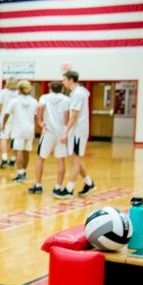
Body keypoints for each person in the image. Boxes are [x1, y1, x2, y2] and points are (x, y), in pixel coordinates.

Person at [57, 70, 96, 198]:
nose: (63, 82)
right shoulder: (79, 92)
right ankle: (89, 183)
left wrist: (65, 132)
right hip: (78, 130)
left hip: (78, 131)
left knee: (74, 160)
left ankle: (69, 189)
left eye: (64, 80)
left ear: (71, 80)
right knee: (76, 159)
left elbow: (73, 116)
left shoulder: (78, 94)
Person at [28, 81, 70, 195]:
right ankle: (58, 187)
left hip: (48, 132)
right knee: (61, 160)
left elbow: (39, 110)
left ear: (50, 88)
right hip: (61, 132)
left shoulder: (44, 97)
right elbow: (66, 116)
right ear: (61, 89)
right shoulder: (66, 99)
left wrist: (40, 123)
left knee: (41, 158)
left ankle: (38, 185)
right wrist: (65, 131)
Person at [2, 80, 37, 183]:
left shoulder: (15, 101)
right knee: (26, 151)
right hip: (30, 129)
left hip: (19, 130)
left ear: (20, 89)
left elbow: (7, 114)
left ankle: (20, 173)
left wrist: (3, 125)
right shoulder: (34, 101)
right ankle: (24, 171)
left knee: (19, 150)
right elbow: (36, 116)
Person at [0, 77, 19, 168]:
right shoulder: (18, 93)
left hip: (5, 118)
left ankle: (4, 159)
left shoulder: (3, 92)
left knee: (3, 138)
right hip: (16, 120)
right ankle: (12, 160)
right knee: (14, 140)